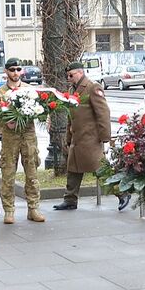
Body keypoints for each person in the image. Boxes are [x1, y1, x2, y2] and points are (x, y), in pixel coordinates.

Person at [0, 58, 46, 224]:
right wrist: (5, 122)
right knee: (8, 174)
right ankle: (9, 210)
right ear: (6, 72)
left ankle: (33, 208)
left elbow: (40, 111)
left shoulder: (30, 90)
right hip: (10, 137)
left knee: (32, 172)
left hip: (28, 135)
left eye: (18, 69)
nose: (15, 73)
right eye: (12, 69)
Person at [56, 61, 111, 210]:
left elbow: (103, 113)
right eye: (67, 75)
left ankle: (122, 194)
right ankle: (70, 199)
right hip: (77, 139)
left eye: (71, 75)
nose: (69, 78)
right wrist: (68, 136)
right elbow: (70, 115)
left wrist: (105, 136)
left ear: (80, 73)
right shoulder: (72, 90)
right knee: (73, 170)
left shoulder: (93, 88)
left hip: (90, 139)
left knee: (100, 169)